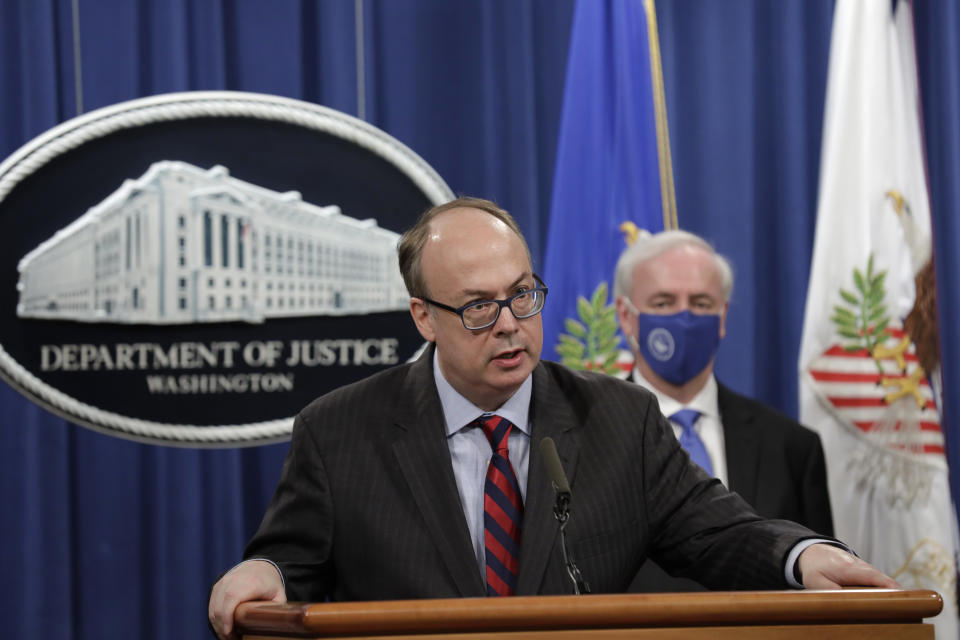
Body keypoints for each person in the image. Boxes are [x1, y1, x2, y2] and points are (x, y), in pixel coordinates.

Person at [208, 197, 896, 639]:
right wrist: (265, 570)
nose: (510, 327)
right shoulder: (341, 431)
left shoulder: (619, 421)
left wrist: (804, 556)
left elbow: (720, 532)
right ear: (423, 316)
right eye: (478, 307)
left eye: (523, 295)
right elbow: (292, 563)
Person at [613, 229, 834, 593]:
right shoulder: (585, 437)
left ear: (723, 316)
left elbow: (819, 590)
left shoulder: (791, 447)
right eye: (664, 302)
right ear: (626, 315)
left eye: (700, 303)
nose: (684, 318)